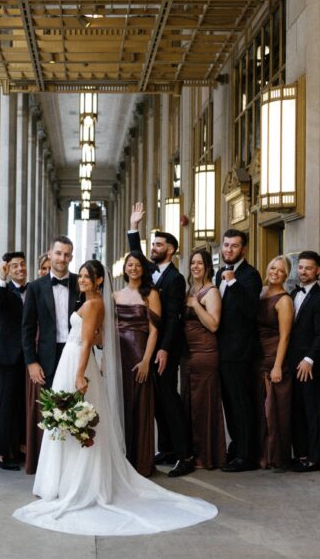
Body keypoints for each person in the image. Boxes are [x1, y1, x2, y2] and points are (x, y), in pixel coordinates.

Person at [13, 261, 217, 536]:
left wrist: (79, 375)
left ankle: (81, 481)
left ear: (99, 281)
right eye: (81, 275)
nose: (82, 280)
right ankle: (63, 479)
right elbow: (98, 337)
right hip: (71, 360)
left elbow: (87, 343)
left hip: (76, 363)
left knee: (77, 421)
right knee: (68, 421)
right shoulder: (92, 302)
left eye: (87, 277)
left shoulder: (95, 303)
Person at [127, 202, 194, 477]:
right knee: (156, 401)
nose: (153, 248)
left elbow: (174, 318)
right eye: (152, 245)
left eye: (158, 245)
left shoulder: (176, 279)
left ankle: (185, 455)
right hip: (148, 347)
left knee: (169, 399)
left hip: (165, 349)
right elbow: (135, 255)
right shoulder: (150, 271)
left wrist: (165, 349)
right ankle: (165, 448)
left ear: (171, 249)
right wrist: (134, 227)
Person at [21, 236, 79, 474]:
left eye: (66, 254)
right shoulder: (35, 287)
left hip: (75, 351)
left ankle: (72, 465)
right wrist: (32, 362)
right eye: (58, 253)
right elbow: (26, 328)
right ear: (50, 254)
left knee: (75, 407)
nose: (62, 258)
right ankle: (50, 467)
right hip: (47, 355)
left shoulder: (80, 283)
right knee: (50, 411)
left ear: (71, 257)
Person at [215, 229, 264, 472]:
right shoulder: (217, 274)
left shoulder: (250, 275)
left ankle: (248, 456)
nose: (229, 250)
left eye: (234, 246)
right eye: (226, 245)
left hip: (241, 352)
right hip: (222, 351)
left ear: (243, 249)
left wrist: (233, 281)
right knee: (229, 403)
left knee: (242, 404)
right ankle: (236, 446)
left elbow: (250, 310)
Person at [113, 252, 162, 477]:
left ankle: (141, 463)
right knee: (120, 403)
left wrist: (146, 361)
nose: (133, 268)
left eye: (137, 265)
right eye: (129, 265)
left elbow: (154, 330)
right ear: (125, 269)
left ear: (143, 269)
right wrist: (106, 359)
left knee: (140, 404)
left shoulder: (150, 294)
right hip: (119, 354)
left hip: (140, 352)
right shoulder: (115, 295)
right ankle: (122, 460)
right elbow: (109, 331)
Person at [288, 251, 320, 472]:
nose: (303, 272)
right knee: (297, 408)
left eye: (308, 268)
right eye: (301, 267)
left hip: (311, 365)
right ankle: (301, 453)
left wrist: (310, 359)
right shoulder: (293, 294)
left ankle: (314, 458)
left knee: (313, 410)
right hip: (292, 362)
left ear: (318, 271)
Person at [181, 249, 225, 470]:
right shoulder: (191, 289)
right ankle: (192, 452)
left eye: (200, 263)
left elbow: (214, 324)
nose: (195, 266)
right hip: (189, 355)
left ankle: (206, 455)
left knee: (203, 405)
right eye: (193, 263)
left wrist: (195, 305)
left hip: (206, 354)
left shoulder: (212, 292)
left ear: (208, 266)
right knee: (190, 404)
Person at [0, 251, 28, 470]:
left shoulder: (32, 289)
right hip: (7, 356)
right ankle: (0, 454)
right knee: (6, 404)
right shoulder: (3, 290)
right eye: (15, 266)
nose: (20, 269)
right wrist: (2, 280)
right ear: (8, 269)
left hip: (27, 356)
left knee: (20, 405)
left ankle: (18, 449)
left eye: (22, 265)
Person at [256, 256, 294, 470]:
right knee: (261, 409)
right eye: (272, 268)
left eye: (280, 270)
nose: (275, 272)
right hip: (258, 358)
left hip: (274, 358)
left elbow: (285, 336)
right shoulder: (261, 293)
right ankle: (262, 454)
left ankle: (276, 457)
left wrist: (278, 365)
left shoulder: (284, 301)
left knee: (274, 410)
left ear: (286, 275)